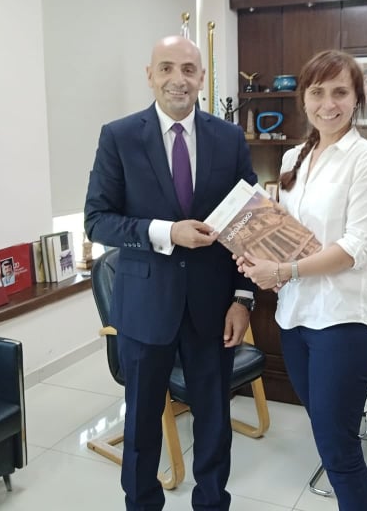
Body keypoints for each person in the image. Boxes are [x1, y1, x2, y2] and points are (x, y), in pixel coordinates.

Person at [84, 35, 256, 511]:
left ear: (201, 77)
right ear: (150, 75)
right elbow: (97, 220)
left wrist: (243, 298)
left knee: (214, 423)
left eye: (188, 69)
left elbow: (249, 223)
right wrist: (165, 232)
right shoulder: (119, 137)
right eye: (166, 68)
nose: (177, 79)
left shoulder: (228, 138)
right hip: (144, 308)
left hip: (213, 308)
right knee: (141, 427)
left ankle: (212, 503)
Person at [236, 50, 367, 511]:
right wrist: (257, 255)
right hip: (295, 319)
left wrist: (282, 271)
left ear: (357, 98)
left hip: (343, 322)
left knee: (340, 452)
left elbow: (353, 248)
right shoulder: (295, 157)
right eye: (317, 92)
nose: (328, 104)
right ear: (303, 99)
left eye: (340, 92)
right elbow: (287, 234)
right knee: (328, 438)